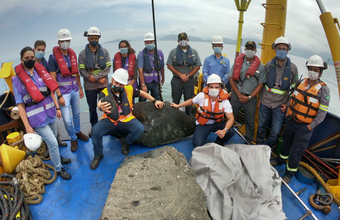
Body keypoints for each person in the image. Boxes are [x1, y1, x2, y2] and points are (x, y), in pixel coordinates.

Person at [12, 46, 71, 180]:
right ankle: (58, 168)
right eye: (27, 58)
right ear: (21, 60)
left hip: (50, 112)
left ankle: (58, 158)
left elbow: (51, 91)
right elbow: (20, 105)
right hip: (36, 118)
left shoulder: (41, 72)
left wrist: (57, 108)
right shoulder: (17, 80)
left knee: (54, 139)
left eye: (32, 57)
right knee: (53, 143)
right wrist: (27, 127)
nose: (30, 60)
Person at [270, 55, 330, 183]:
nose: (313, 71)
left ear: (320, 72)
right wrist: (287, 109)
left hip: (305, 127)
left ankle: (289, 173)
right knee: (285, 143)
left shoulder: (324, 90)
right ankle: (280, 160)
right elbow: (292, 97)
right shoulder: (301, 82)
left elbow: (322, 113)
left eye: (316, 69)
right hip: (291, 121)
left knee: (297, 151)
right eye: (311, 68)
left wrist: (310, 126)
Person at [90, 68, 165, 170]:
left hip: (126, 119)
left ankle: (126, 142)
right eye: (117, 82)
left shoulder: (129, 89)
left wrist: (155, 100)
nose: (118, 86)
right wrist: (100, 107)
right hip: (110, 120)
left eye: (121, 84)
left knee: (139, 128)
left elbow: (142, 93)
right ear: (112, 80)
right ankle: (98, 154)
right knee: (95, 131)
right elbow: (100, 102)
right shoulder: (104, 93)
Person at [49, 28, 89, 152]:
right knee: (67, 120)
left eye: (67, 40)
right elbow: (52, 79)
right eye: (63, 40)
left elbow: (76, 72)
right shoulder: (53, 58)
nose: (65, 42)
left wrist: (80, 87)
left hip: (75, 90)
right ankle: (73, 138)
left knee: (76, 114)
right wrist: (59, 95)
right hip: (64, 93)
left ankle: (78, 132)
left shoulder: (72, 54)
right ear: (58, 42)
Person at [171, 74, 235, 147]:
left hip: (217, 123)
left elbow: (231, 118)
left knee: (231, 131)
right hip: (203, 124)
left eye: (216, 87)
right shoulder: (201, 96)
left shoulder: (225, 101)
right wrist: (178, 105)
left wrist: (224, 130)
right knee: (197, 144)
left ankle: (219, 142)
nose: (214, 89)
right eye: (211, 87)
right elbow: (191, 101)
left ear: (220, 88)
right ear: (207, 87)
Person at [256, 36, 298, 148]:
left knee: (275, 132)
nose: (281, 51)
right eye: (279, 48)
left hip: (280, 105)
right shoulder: (268, 65)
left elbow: (294, 91)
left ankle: (267, 148)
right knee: (261, 127)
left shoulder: (293, 68)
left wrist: (287, 104)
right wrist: (260, 99)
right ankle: (258, 148)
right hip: (265, 101)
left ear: (288, 50)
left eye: (284, 49)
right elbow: (263, 83)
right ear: (275, 49)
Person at [228, 41, 266, 143]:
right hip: (237, 95)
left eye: (252, 49)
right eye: (248, 48)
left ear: (255, 51)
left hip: (250, 98)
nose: (249, 51)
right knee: (231, 116)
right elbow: (231, 78)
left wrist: (249, 97)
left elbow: (260, 84)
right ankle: (226, 135)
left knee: (250, 121)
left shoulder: (261, 66)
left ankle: (248, 140)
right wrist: (238, 93)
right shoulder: (237, 62)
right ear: (245, 49)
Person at [33, 40, 67, 147]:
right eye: (39, 50)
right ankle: (45, 145)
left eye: (43, 50)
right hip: (36, 99)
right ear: (34, 50)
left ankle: (57, 140)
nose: (41, 52)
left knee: (52, 119)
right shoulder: (30, 64)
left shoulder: (45, 63)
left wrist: (57, 101)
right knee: (41, 124)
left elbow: (50, 80)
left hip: (47, 97)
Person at [78, 26, 111, 133]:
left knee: (107, 105)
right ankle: (94, 127)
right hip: (90, 86)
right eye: (92, 38)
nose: (94, 41)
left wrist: (97, 77)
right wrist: (96, 79)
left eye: (96, 39)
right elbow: (82, 71)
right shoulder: (82, 54)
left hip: (103, 85)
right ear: (88, 39)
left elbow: (108, 67)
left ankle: (109, 125)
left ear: (99, 39)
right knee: (92, 108)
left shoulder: (105, 52)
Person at [167, 32, 202, 115]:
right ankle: (174, 115)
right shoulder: (173, 52)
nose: (183, 41)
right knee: (175, 99)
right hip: (177, 80)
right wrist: (180, 75)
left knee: (189, 100)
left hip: (189, 80)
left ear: (188, 40)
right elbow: (169, 65)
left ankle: (188, 116)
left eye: (184, 39)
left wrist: (188, 75)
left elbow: (197, 66)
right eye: (181, 39)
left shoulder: (194, 52)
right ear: (178, 41)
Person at [138, 32, 165, 102]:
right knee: (142, 100)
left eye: (151, 42)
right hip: (146, 81)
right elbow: (140, 70)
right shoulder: (141, 54)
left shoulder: (160, 53)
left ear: (154, 42)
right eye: (147, 42)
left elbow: (162, 67)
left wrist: (163, 79)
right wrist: (143, 85)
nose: (149, 44)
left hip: (156, 81)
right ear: (144, 43)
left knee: (157, 99)